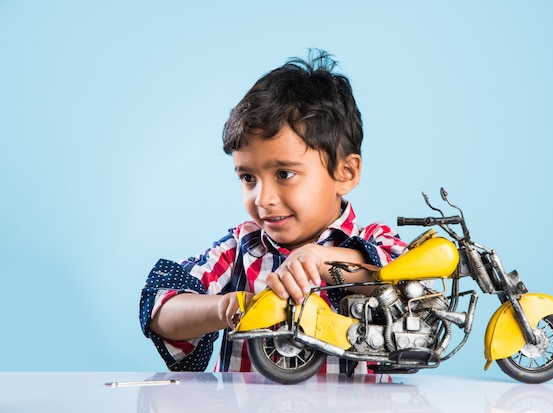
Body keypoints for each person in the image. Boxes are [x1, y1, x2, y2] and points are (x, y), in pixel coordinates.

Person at [139, 49, 408, 374]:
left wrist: (321, 260)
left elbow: (398, 286)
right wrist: (226, 306)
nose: (262, 198)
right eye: (248, 178)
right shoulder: (242, 247)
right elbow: (160, 309)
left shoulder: (372, 241)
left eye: (284, 174)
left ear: (345, 173)